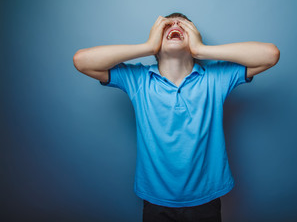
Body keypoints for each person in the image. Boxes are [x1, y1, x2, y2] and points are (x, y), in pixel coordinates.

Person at [73, 12, 280, 222]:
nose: (175, 26)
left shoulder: (214, 79)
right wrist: (147, 46)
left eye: (183, 26)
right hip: (156, 201)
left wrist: (202, 50)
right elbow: (81, 61)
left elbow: (270, 54)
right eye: (166, 27)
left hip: (205, 200)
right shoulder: (138, 80)